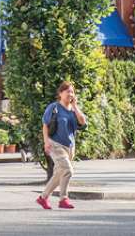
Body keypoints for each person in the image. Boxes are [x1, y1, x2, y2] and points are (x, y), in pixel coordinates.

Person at [37, 81, 86, 210]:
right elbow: (45, 125)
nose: (70, 94)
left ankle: (43, 198)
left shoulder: (73, 110)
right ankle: (63, 199)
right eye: (68, 91)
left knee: (60, 173)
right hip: (55, 144)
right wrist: (46, 141)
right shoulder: (54, 107)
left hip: (70, 146)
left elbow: (83, 122)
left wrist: (75, 106)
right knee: (68, 171)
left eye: (72, 92)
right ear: (60, 93)